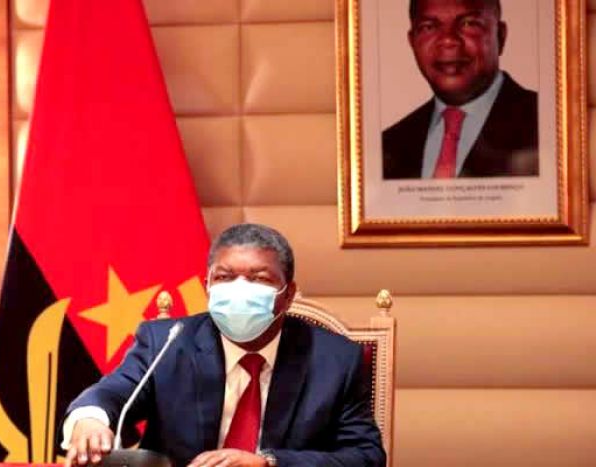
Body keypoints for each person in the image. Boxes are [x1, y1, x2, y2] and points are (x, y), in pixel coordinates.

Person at [61, 223, 386, 467]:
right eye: (224, 277)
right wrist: (90, 419)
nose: (239, 290)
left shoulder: (335, 360)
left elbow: (366, 456)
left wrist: (268, 463)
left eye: (259, 278)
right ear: (208, 286)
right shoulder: (166, 343)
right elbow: (112, 393)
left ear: (287, 295)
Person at [382, 0, 538, 179]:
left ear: (500, 36)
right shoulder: (387, 147)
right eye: (428, 27)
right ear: (412, 42)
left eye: (469, 24)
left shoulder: (549, 123)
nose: (448, 40)